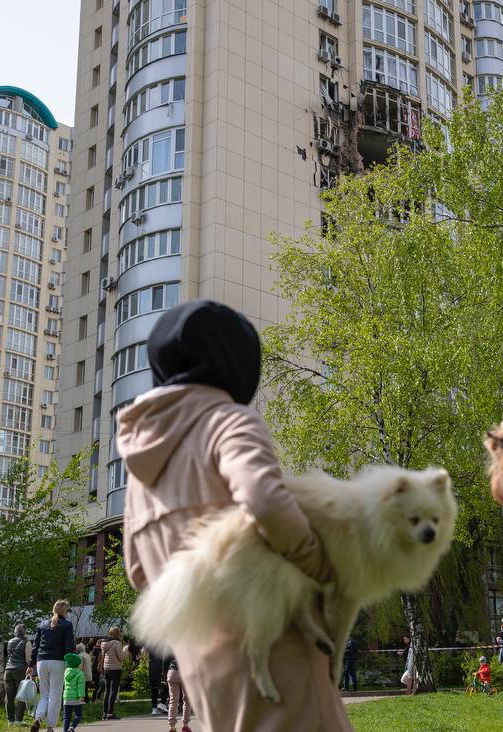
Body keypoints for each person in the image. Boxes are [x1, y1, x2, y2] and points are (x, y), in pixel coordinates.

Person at [120, 301, 349, 731]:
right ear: (238, 360)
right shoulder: (228, 421)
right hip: (276, 647)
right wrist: (322, 569)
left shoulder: (139, 472)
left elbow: (138, 572)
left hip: (202, 667)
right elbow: (264, 499)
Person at [28, 598, 75, 732]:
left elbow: (35, 646)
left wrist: (31, 664)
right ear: (64, 611)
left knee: (44, 694)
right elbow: (69, 647)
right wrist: (71, 664)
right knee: (55, 695)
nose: (68, 613)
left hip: (41, 662)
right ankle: (50, 726)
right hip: (58, 662)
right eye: (68, 610)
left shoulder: (42, 624)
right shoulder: (67, 625)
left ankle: (38, 719)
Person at [4, 624, 33, 725]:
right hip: (20, 670)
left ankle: (10, 720)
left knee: (9, 696)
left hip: (8, 670)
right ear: (24, 632)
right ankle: (19, 720)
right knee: (22, 695)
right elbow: (28, 658)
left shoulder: (10, 641)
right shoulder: (26, 642)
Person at [100, 627, 126, 721]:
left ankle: (105, 713)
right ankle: (110, 713)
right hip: (116, 669)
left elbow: (103, 656)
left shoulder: (104, 643)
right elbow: (121, 658)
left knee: (107, 691)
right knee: (113, 691)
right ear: (117, 634)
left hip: (106, 668)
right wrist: (125, 650)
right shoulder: (117, 643)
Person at [166, 657, 193, 732]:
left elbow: (165, 660)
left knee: (173, 700)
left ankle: (172, 726)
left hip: (172, 672)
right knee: (187, 700)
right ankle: (185, 725)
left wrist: (164, 675)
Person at [61, 652, 85, 732]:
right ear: (78, 664)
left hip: (67, 698)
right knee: (78, 715)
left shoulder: (65, 672)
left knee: (66, 718)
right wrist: (81, 696)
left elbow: (64, 684)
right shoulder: (80, 674)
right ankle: (72, 728)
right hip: (76, 698)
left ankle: (65, 730)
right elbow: (80, 686)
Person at [147, 648, 169, 716]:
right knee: (166, 685)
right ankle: (162, 704)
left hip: (152, 666)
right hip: (161, 666)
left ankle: (154, 709)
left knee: (154, 688)